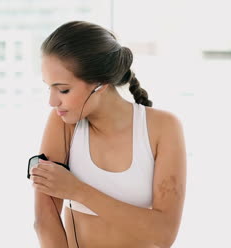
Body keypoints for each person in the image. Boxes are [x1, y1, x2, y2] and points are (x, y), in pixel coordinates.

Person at [29, 20, 187, 248]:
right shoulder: (62, 122)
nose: (52, 101)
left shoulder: (164, 127)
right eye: (49, 87)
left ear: (100, 84)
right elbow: (44, 220)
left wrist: (77, 191)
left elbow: (163, 234)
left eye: (63, 89)